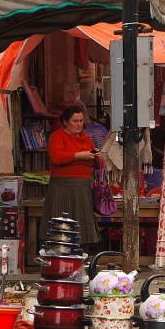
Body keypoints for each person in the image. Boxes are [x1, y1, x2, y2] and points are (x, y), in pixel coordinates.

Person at [40, 105, 101, 248]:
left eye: (81, 121)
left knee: (81, 223)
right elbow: (56, 157)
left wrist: (95, 156)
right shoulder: (57, 136)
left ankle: (81, 254)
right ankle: (58, 254)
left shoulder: (86, 139)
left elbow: (93, 164)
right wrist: (79, 155)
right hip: (62, 186)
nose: (79, 124)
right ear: (66, 122)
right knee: (61, 223)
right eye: (75, 121)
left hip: (83, 186)